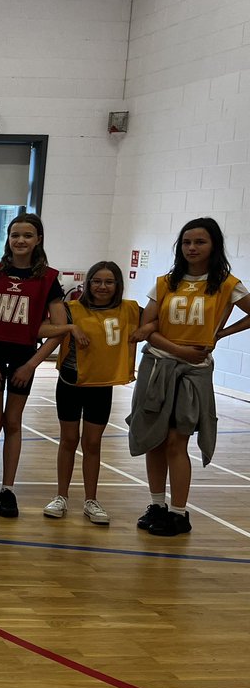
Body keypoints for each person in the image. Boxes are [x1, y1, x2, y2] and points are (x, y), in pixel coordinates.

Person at [128, 217, 250, 536]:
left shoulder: (226, 283)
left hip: (195, 371)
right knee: (154, 439)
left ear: (214, 246)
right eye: (186, 242)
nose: (192, 248)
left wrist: (220, 334)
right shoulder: (166, 281)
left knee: (176, 440)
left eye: (200, 242)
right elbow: (148, 329)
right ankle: (156, 504)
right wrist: (179, 350)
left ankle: (180, 512)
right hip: (158, 365)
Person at [0, 214, 67, 519]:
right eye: (15, 235)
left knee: (13, 422)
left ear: (38, 239)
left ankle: (8, 489)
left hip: (24, 361)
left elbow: (59, 330)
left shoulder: (49, 280)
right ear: (8, 238)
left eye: (27, 235)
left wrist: (32, 365)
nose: (20, 240)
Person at [41, 261, 141, 524]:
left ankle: (91, 500)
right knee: (69, 439)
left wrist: (144, 332)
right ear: (87, 284)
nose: (102, 286)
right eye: (97, 281)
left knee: (93, 443)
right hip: (71, 383)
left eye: (109, 282)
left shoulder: (129, 310)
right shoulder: (71, 309)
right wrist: (69, 328)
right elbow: (42, 329)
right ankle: (61, 496)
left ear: (118, 285)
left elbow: (158, 319)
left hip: (101, 386)